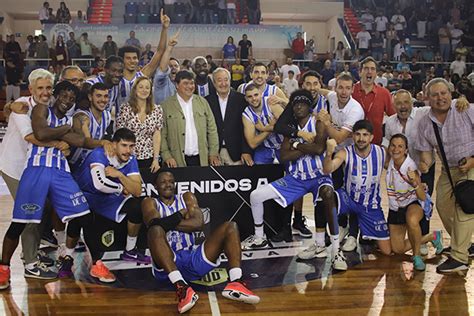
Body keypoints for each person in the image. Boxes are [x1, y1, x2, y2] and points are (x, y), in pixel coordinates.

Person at [0, 81, 91, 289]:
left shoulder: (71, 118)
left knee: (83, 213)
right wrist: (65, 131)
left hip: (60, 172)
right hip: (36, 169)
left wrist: (61, 132)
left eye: (71, 99)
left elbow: (80, 141)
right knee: (21, 221)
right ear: (55, 95)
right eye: (63, 96)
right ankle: (3, 269)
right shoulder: (42, 109)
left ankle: (65, 255)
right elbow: (40, 134)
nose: (67, 101)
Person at [244, 90, 348, 270]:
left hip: (318, 176)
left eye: (303, 103)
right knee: (256, 195)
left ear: (310, 106)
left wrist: (296, 145)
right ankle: (259, 237)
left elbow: (318, 149)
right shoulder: (289, 128)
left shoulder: (319, 123)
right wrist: (302, 143)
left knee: (328, 193)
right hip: (297, 178)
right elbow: (284, 156)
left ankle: (336, 250)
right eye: (296, 103)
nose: (299, 106)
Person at [142, 170, 260, 314]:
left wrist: (164, 222)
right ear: (155, 186)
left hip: (192, 259)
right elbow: (153, 223)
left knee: (231, 227)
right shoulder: (149, 202)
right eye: (163, 182)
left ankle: (236, 282)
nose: (168, 185)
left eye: (171, 181)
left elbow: (198, 223)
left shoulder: (186, 197)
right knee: (155, 231)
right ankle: (181, 287)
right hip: (167, 266)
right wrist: (180, 215)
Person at [61, 128, 148, 283]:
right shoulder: (99, 154)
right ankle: (67, 257)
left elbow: (137, 190)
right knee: (80, 217)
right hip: (84, 192)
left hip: (107, 197)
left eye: (131, 146)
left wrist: (119, 175)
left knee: (138, 205)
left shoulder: (131, 158)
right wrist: (121, 187)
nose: (128, 150)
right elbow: (99, 183)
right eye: (124, 145)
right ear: (114, 145)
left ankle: (129, 250)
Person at [0, 69, 59, 281]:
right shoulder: (22, 107)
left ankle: (30, 252)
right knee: (28, 214)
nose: (45, 92)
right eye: (40, 88)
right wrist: (59, 143)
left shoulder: (50, 106)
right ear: (31, 89)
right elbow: (32, 137)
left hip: (34, 167)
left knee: (40, 210)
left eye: (48, 87)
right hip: (15, 166)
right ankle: (31, 264)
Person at [416, 78, 474, 273]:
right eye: (435, 95)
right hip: (449, 169)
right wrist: (423, 166)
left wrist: (473, 159)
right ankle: (464, 244)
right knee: (442, 205)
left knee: (464, 206)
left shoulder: (465, 109)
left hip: (472, 165)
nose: (440, 98)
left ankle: (460, 257)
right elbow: (427, 155)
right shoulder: (425, 122)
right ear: (427, 98)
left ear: (451, 94)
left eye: (444, 93)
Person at [323, 120, 392, 256]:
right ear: (352, 136)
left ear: (371, 137)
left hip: (370, 205)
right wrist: (328, 153)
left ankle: (354, 231)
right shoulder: (345, 152)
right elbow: (328, 169)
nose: (361, 139)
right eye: (358, 134)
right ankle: (343, 230)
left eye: (365, 135)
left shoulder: (381, 152)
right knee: (329, 194)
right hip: (349, 200)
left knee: (387, 250)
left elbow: (394, 168)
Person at [386, 134, 444, 270]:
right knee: (398, 249)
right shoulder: (390, 164)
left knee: (412, 220)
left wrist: (415, 183)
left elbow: (423, 197)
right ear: (389, 148)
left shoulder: (410, 167)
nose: (396, 149)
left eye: (400, 146)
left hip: (414, 202)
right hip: (396, 206)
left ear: (406, 150)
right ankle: (432, 236)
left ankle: (417, 256)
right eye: (393, 145)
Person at [160, 70, 220, 167]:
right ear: (177, 85)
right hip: (177, 160)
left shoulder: (202, 102)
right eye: (185, 83)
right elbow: (162, 135)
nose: (190, 86)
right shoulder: (166, 106)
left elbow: (212, 130)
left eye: (192, 83)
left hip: (201, 159)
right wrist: (166, 156)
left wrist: (213, 153)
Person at [118, 11, 170, 107]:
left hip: (141, 120)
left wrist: (164, 28)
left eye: (134, 58)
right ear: (122, 60)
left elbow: (159, 52)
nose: (132, 61)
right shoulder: (116, 78)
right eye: (128, 58)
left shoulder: (142, 75)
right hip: (121, 120)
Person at [117, 77, 163, 184]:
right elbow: (120, 134)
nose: (144, 90)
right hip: (128, 156)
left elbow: (157, 135)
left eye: (147, 88)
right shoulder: (125, 109)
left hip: (149, 157)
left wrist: (156, 159)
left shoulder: (157, 110)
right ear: (135, 90)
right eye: (141, 87)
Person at [206, 68, 253, 166]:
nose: (223, 83)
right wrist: (211, 152)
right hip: (214, 155)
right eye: (219, 80)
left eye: (226, 80)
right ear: (214, 83)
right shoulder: (207, 101)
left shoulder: (241, 100)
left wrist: (246, 150)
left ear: (230, 81)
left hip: (237, 154)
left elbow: (246, 128)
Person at [68, 83, 112, 171]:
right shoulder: (82, 116)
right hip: (72, 164)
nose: (103, 100)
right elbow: (86, 141)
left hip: (89, 164)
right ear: (90, 97)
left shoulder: (107, 115)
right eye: (99, 96)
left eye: (106, 96)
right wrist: (103, 143)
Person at [352, 57, 395, 145]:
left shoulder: (384, 93)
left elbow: (393, 116)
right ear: (360, 72)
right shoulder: (351, 90)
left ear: (376, 74)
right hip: (352, 142)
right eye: (366, 68)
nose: (369, 71)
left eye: (373, 69)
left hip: (375, 142)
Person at [242, 83, 283, 164]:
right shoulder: (246, 114)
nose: (254, 99)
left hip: (283, 145)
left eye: (256, 95)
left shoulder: (271, 103)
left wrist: (263, 129)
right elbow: (252, 143)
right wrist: (269, 128)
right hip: (265, 148)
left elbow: (286, 126)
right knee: (258, 170)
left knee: (291, 169)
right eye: (250, 96)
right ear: (246, 98)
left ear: (261, 94)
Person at [153, 34, 180, 105]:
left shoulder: (183, 84)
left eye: (176, 66)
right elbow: (162, 69)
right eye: (170, 66)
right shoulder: (161, 83)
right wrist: (169, 47)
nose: (173, 68)